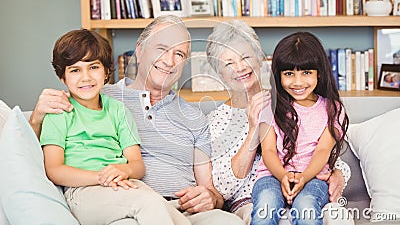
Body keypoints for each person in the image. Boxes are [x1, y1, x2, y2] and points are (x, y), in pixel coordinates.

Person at [29, 15, 244, 225]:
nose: (169, 61)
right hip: (123, 205)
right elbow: (41, 152)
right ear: (140, 51)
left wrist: (210, 197)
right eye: (161, 49)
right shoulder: (97, 97)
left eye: (179, 53)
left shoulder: (195, 117)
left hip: (181, 208)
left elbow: (209, 186)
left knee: (227, 221)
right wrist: (36, 118)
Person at [206, 20, 352, 225]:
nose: (239, 67)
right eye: (229, 63)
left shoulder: (286, 100)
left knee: (334, 217)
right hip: (252, 199)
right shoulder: (217, 121)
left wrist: (338, 173)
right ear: (218, 71)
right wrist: (252, 131)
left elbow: (321, 152)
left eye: (245, 57)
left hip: (309, 186)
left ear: (259, 59)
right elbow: (222, 188)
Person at [40, 29, 188, 225]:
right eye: (75, 70)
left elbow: (137, 165)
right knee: (149, 204)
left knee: (170, 213)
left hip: (124, 185)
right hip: (83, 193)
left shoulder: (118, 110)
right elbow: (54, 170)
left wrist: (123, 170)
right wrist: (101, 177)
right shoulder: (60, 112)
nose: (86, 77)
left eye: (93, 67)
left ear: (106, 72)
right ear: (63, 78)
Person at [251, 32, 349, 225]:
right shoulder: (268, 105)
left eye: (306, 72)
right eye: (289, 74)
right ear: (278, 75)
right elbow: (269, 150)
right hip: (271, 176)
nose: (297, 82)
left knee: (306, 208)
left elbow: (323, 150)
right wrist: (283, 176)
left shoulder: (333, 110)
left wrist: (303, 177)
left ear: (319, 73)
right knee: (266, 207)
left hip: (314, 178)